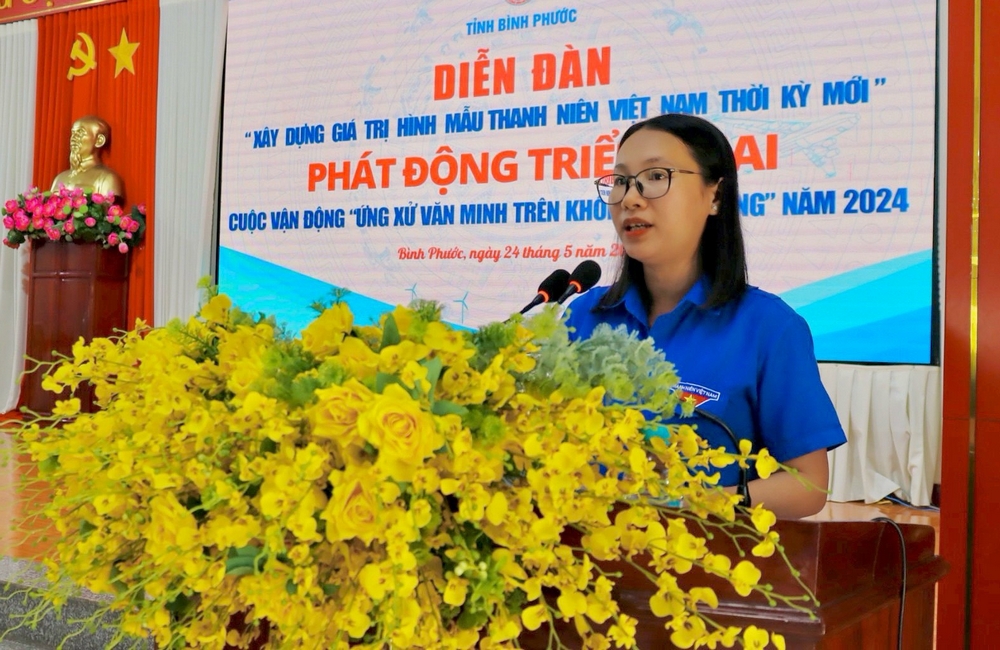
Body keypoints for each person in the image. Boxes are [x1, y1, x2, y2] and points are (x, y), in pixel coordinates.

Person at [565, 113, 846, 519]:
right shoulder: (584, 316)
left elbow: (808, 484)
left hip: (703, 553)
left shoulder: (768, 329)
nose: (630, 198)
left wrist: (690, 504)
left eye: (655, 176)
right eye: (621, 180)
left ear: (715, 196)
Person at [51, 115, 125, 200]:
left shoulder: (107, 178)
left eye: (80, 133)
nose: (73, 138)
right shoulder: (60, 178)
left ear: (99, 140)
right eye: (73, 133)